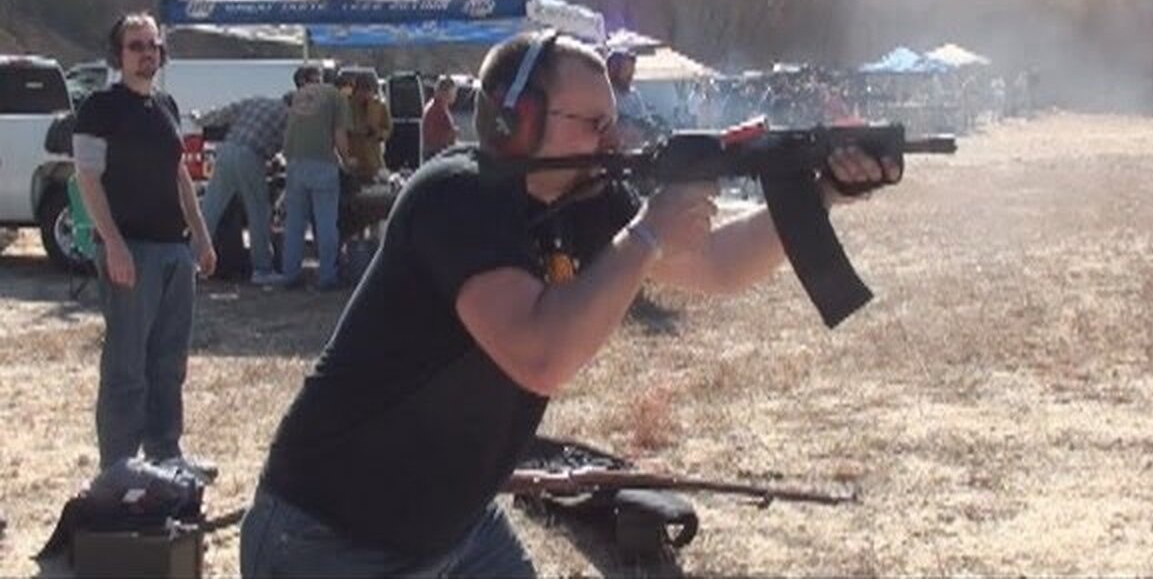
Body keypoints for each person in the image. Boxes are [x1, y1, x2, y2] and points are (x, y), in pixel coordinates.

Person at [238, 30, 899, 577]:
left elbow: (719, 265)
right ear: (515, 121)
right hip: (328, 536)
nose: (613, 139)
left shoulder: (588, 197)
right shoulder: (456, 196)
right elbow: (541, 356)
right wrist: (646, 233)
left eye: (613, 120)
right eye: (593, 123)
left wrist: (820, 193)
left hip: (453, 525)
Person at [71, 12, 218, 481]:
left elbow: (179, 175)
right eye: (135, 46)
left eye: (152, 45)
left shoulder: (167, 107)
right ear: (119, 54)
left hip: (173, 252)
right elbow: (87, 177)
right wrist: (112, 243)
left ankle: (165, 453)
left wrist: (200, 234)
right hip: (129, 250)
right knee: (126, 365)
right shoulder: (100, 107)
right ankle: (118, 465)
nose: (145, 53)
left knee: (169, 361)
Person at [193, 91, 289, 285]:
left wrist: (200, 119)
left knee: (209, 211)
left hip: (227, 150)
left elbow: (223, 114)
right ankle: (262, 269)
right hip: (250, 155)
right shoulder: (289, 116)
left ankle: (190, 261)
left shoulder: (257, 101)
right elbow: (289, 150)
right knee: (258, 213)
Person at [272, 66, 351, 291]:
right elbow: (339, 134)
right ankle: (327, 276)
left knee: (295, 223)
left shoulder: (297, 96)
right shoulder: (336, 96)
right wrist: (347, 160)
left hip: (295, 163)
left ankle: (290, 274)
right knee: (326, 222)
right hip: (322, 163)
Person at [343, 73, 391, 183]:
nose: (366, 95)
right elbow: (342, 129)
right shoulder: (347, 106)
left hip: (373, 160)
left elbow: (387, 129)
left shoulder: (379, 106)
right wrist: (357, 131)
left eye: (369, 91)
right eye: (362, 91)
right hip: (354, 159)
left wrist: (378, 134)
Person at [421, 75, 459, 160]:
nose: (455, 95)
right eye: (453, 92)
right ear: (444, 92)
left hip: (436, 153)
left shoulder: (440, 107)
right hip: (436, 154)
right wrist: (451, 134)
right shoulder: (437, 109)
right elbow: (434, 137)